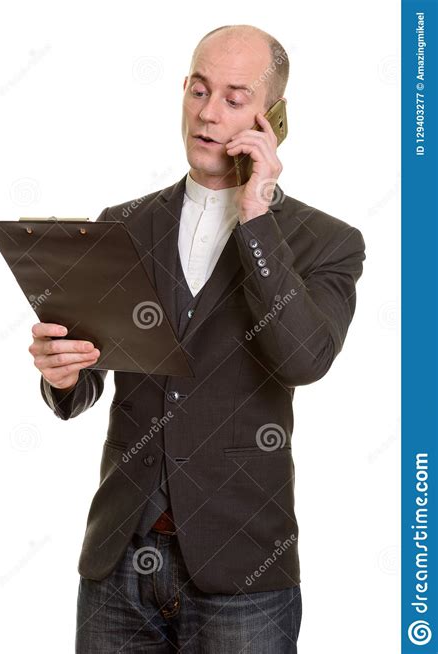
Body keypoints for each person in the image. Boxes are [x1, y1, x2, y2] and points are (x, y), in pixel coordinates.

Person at [29, 24, 366, 653]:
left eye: (234, 99)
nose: (207, 114)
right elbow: (87, 380)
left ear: (274, 118)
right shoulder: (123, 226)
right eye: (198, 89)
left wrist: (257, 217)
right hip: (117, 564)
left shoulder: (328, 242)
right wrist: (62, 374)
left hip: (244, 572)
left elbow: (304, 358)